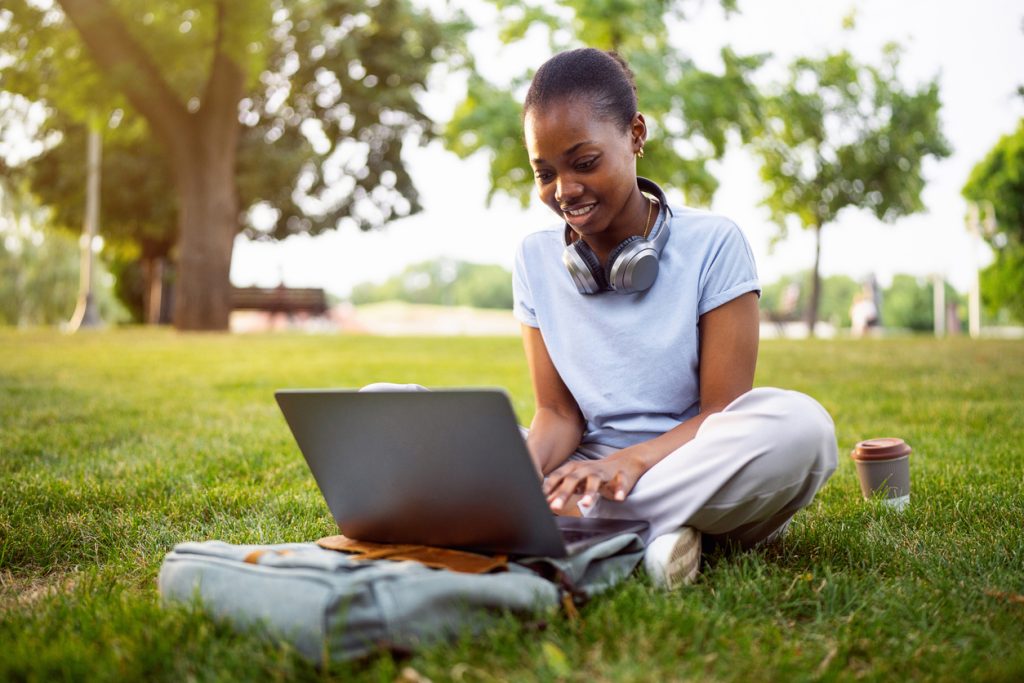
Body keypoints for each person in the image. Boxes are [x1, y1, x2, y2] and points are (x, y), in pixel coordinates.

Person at [512, 48, 838, 589]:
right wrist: (515, 479)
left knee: (803, 429)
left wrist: (631, 463)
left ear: (636, 135)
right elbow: (557, 415)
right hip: (583, 467)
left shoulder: (715, 243)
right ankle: (651, 535)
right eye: (545, 173)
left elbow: (721, 412)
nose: (564, 190)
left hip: (693, 461)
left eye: (584, 163)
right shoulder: (533, 257)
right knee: (393, 403)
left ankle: (576, 528)